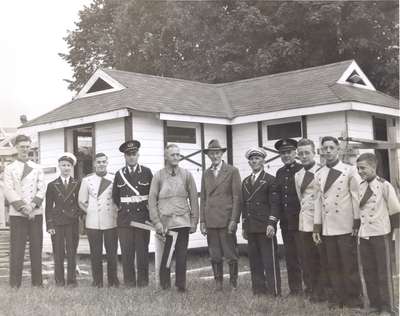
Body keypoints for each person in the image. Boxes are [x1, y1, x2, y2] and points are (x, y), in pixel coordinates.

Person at [312, 136, 362, 309]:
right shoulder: (318, 173)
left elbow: (356, 197)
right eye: (324, 148)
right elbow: (317, 201)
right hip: (327, 227)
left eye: (331, 148)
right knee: (331, 264)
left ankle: (354, 298)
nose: (328, 151)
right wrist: (316, 227)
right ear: (321, 151)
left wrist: (356, 222)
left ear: (338, 149)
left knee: (349, 264)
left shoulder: (350, 170)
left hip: (346, 224)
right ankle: (337, 298)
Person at [148, 144, 199, 292]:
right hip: (165, 224)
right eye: (173, 155)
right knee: (167, 256)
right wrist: (156, 222)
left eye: (178, 154)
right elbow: (152, 200)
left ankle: (181, 286)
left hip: (183, 222)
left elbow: (194, 199)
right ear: (166, 157)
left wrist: (194, 221)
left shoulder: (187, 175)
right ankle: (164, 285)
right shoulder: (158, 175)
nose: (176, 157)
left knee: (182, 255)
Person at [356, 153, 399, 315]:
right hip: (365, 234)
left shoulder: (384, 185)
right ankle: (374, 304)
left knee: (383, 272)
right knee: (368, 271)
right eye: (358, 168)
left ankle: (388, 307)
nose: (360, 171)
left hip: (381, 234)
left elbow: (395, 210)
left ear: (374, 167)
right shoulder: (360, 186)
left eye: (363, 168)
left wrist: (392, 235)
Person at [3, 135, 45, 288]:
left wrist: (32, 207)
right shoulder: (9, 168)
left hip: (35, 213)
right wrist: (23, 207)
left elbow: (42, 189)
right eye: (22, 147)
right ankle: (15, 284)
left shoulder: (38, 168)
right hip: (17, 214)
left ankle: (37, 283)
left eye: (27, 146)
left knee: (36, 248)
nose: (25, 149)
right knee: (17, 249)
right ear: (16, 148)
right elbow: (8, 190)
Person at [200, 139, 241, 291]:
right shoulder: (206, 174)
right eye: (212, 153)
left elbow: (237, 197)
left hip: (226, 220)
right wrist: (202, 222)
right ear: (208, 155)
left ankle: (233, 283)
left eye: (217, 153)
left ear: (222, 154)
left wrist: (234, 220)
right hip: (211, 220)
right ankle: (218, 282)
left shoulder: (232, 171)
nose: (215, 156)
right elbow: (203, 198)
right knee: (214, 254)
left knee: (230, 254)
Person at [112, 140, 153, 287]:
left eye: (134, 154)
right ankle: (129, 282)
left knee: (142, 251)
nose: (131, 157)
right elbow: (115, 197)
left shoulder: (147, 172)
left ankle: (143, 282)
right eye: (128, 155)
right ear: (124, 157)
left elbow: (152, 195)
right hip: (125, 220)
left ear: (138, 155)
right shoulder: (119, 174)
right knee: (127, 251)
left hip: (142, 219)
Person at [241, 147, 281, 296]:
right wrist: (244, 226)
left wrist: (272, 223)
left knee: (269, 261)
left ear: (263, 160)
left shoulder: (270, 180)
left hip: (265, 227)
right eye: (252, 159)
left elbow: (275, 204)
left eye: (257, 158)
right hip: (251, 227)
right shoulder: (245, 181)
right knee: (255, 261)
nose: (254, 161)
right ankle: (258, 290)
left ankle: (274, 291)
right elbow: (244, 206)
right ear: (249, 162)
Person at [269, 138, 306, 296]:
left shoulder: (302, 170)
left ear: (295, 153)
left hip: (301, 221)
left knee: (304, 256)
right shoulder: (280, 172)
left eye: (289, 152)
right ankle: (295, 289)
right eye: (283, 153)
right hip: (286, 223)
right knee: (291, 257)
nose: (286, 155)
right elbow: (278, 199)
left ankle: (311, 288)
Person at [294, 138, 329, 302]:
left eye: (307, 152)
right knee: (308, 258)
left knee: (321, 257)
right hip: (304, 222)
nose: (304, 156)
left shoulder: (322, 171)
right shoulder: (298, 175)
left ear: (314, 153)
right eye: (300, 153)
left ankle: (323, 292)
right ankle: (312, 289)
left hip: (319, 222)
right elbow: (301, 198)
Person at [78, 153, 119, 287]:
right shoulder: (87, 180)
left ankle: (113, 281)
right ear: (94, 164)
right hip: (93, 221)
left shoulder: (114, 179)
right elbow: (82, 201)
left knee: (112, 253)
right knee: (95, 253)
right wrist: (91, 212)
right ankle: (97, 281)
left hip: (110, 220)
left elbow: (117, 199)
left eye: (103, 162)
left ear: (107, 163)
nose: (101, 164)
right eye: (98, 162)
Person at [45, 152, 81, 286]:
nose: (66, 168)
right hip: (57, 223)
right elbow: (48, 207)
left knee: (72, 251)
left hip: (72, 222)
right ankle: (59, 281)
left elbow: (79, 203)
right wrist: (50, 225)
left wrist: (76, 216)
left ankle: (72, 281)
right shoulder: (52, 185)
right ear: (59, 166)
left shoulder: (77, 183)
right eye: (63, 165)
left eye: (68, 165)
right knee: (58, 252)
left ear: (72, 167)